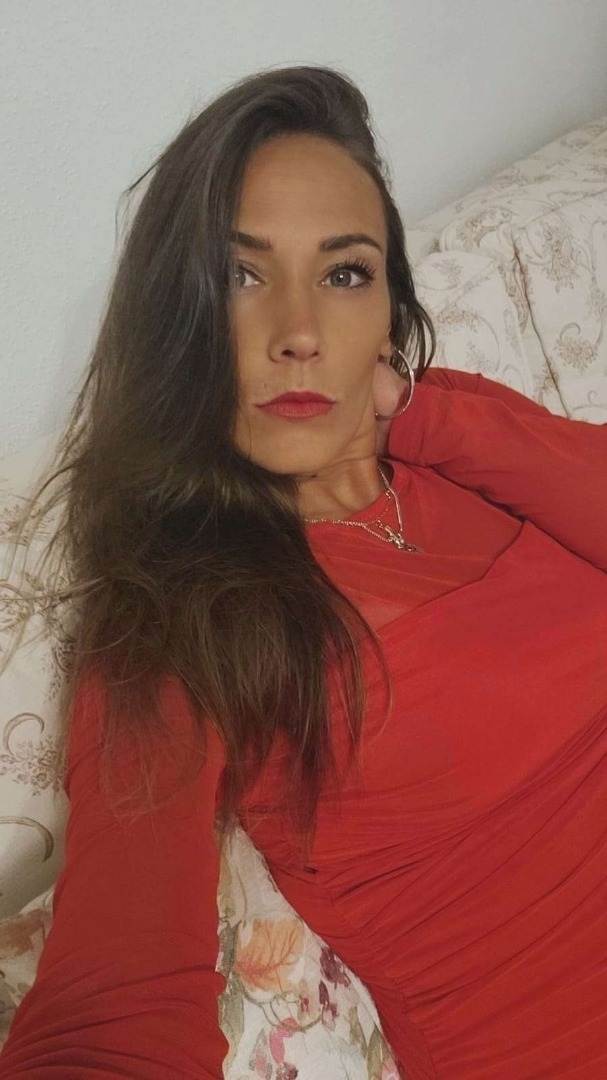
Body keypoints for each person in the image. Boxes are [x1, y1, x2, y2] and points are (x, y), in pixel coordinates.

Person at [0, 63, 606, 1080]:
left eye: (344, 274)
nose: (298, 334)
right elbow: (114, 1003)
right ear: (178, 321)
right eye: (240, 276)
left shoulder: (453, 443)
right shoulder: (175, 615)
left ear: (388, 306)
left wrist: (414, 410)